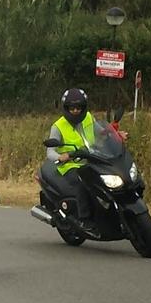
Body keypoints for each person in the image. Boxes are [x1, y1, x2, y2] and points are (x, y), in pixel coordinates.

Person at [46, 88, 103, 231]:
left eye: (79, 107)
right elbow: (50, 152)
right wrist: (61, 156)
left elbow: (100, 132)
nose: (76, 111)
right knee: (82, 183)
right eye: (72, 108)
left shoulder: (89, 117)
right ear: (66, 108)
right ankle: (84, 219)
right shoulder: (58, 126)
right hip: (70, 165)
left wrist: (116, 134)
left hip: (91, 160)